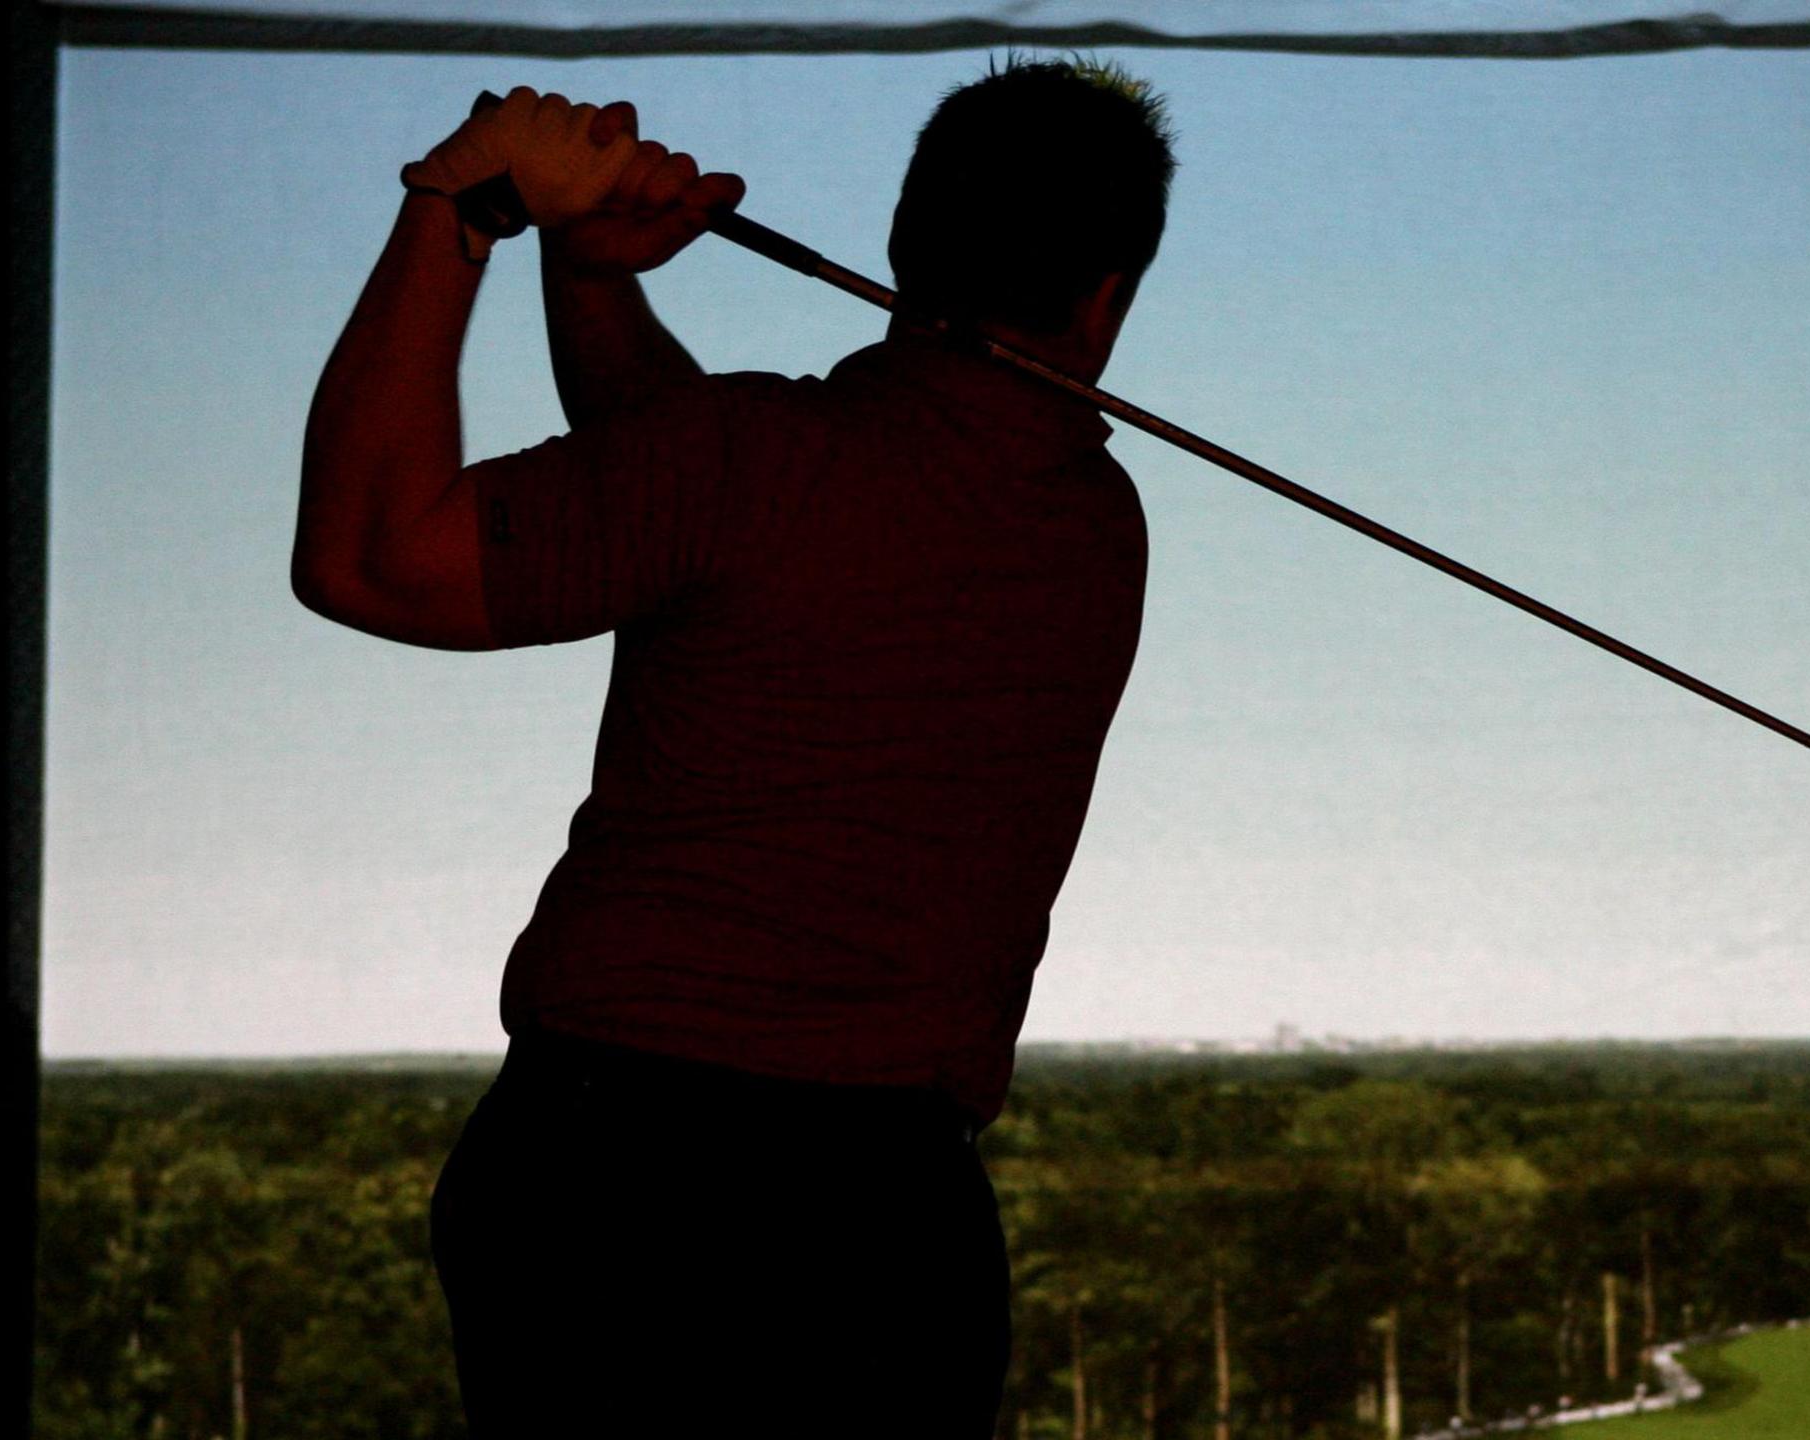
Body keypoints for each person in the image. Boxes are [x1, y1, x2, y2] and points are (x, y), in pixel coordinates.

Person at [292, 59, 1175, 1435]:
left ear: (903, 251)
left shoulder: (748, 464)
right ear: (1108, 295)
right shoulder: (1094, 526)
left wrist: (457, 210)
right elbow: (691, 502)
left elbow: (367, 561)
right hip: (898, 1220)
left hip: (615, 1187)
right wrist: (588, 279)